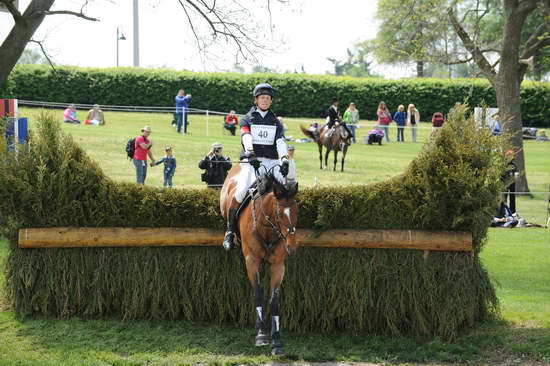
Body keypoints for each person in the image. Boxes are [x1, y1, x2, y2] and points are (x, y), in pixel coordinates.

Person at [222, 83, 290, 250]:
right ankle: (230, 231)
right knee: (241, 189)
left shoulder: (275, 122)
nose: (265, 101)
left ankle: (289, 230)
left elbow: (280, 141)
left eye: (267, 98)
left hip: (272, 161)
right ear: (256, 100)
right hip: (252, 160)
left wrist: (284, 159)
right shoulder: (247, 118)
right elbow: (246, 135)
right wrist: (250, 152)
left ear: (270, 101)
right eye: (262, 98)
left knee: (286, 191)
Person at [502, 149, 518, 214]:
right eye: (510, 156)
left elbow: (515, 173)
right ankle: (503, 212)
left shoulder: (514, 165)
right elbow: (501, 175)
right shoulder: (503, 165)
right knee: (504, 198)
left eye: (512, 156)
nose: (511, 157)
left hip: (512, 183)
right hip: (505, 183)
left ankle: (513, 212)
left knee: (512, 198)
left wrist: (515, 177)